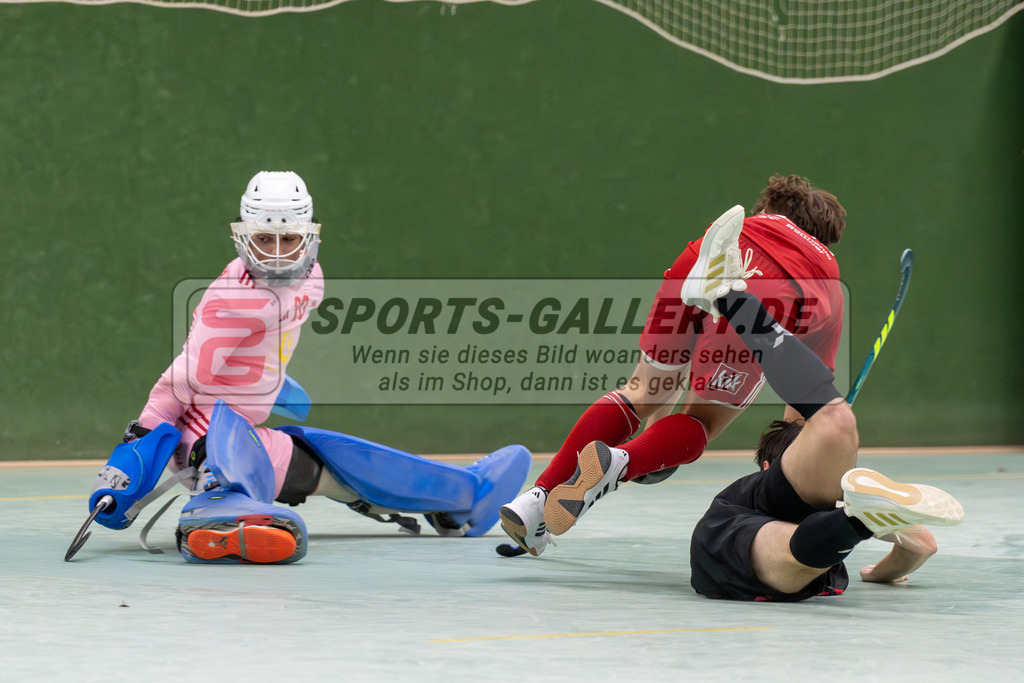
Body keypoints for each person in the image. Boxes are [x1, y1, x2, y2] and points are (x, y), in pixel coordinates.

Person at [76, 171, 528, 565]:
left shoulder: (312, 279)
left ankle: (464, 498)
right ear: (242, 236)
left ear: (308, 235)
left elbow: (261, 349)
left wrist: (272, 386)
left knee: (332, 462)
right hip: (212, 439)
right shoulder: (228, 302)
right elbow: (174, 387)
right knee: (265, 461)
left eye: (287, 238)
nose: (275, 253)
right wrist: (131, 457)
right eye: (263, 239)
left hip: (247, 425)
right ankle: (215, 510)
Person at [557, 218, 963, 600]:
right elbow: (922, 545)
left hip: (749, 539)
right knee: (797, 551)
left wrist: (880, 564)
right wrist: (881, 572)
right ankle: (857, 514)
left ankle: (858, 517)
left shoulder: (769, 490)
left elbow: (920, 546)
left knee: (798, 546)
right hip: (768, 539)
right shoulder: (777, 486)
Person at [500, 175, 847, 556]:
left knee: (642, 390)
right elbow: (802, 412)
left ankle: (536, 498)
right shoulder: (825, 274)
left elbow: (663, 390)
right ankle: (619, 463)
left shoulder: (752, 224)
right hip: (773, 289)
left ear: (769, 211)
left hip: (706, 253)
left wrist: (655, 434)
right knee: (702, 419)